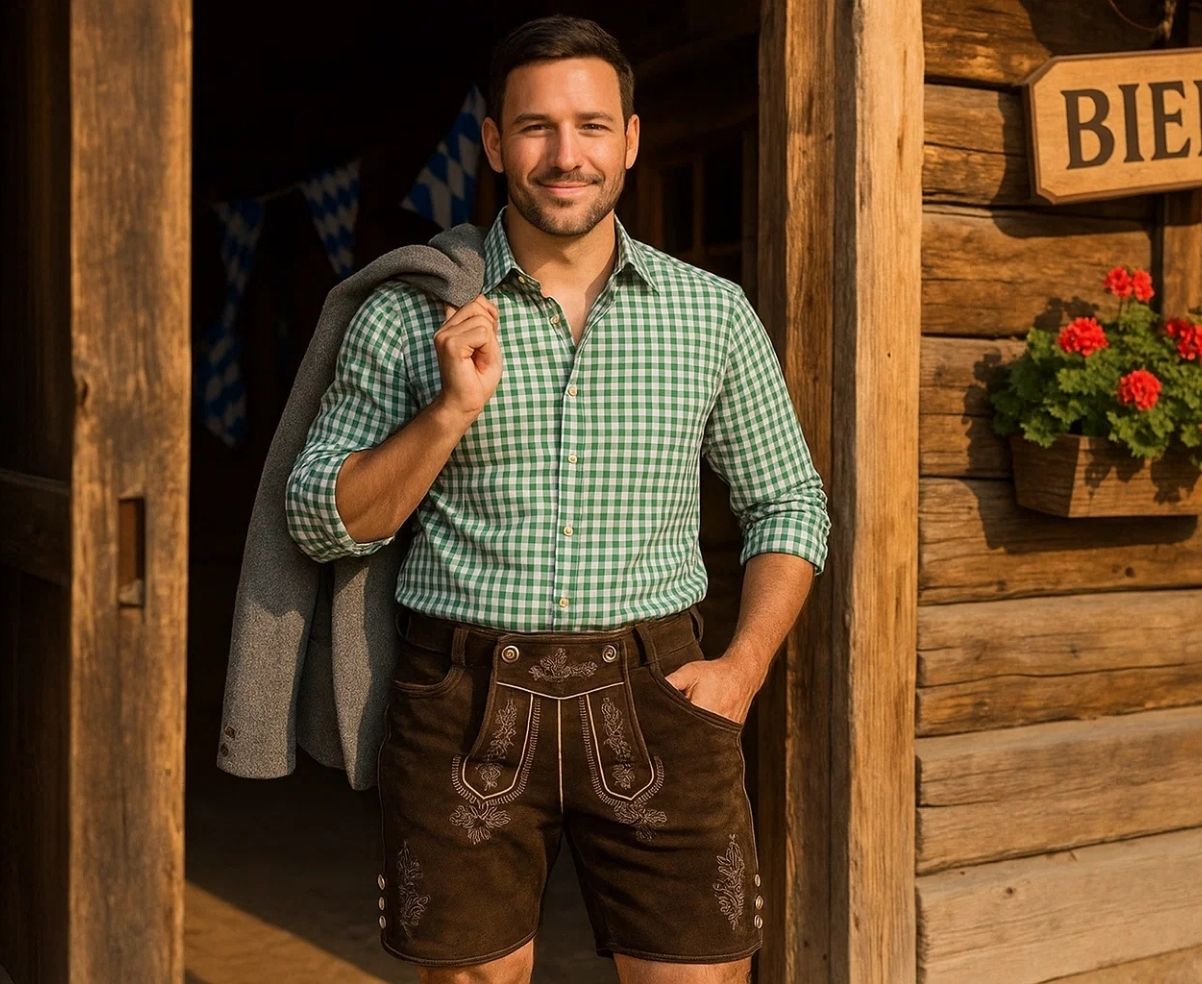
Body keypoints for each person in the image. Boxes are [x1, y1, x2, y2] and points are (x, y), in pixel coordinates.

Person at [285, 13, 829, 984]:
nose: (563, 154)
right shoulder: (409, 312)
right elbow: (323, 520)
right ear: (494, 143)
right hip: (461, 699)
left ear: (629, 138)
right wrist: (449, 412)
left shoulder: (709, 314)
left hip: (659, 694)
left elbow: (787, 501)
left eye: (589, 125)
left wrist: (739, 671)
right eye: (535, 127)